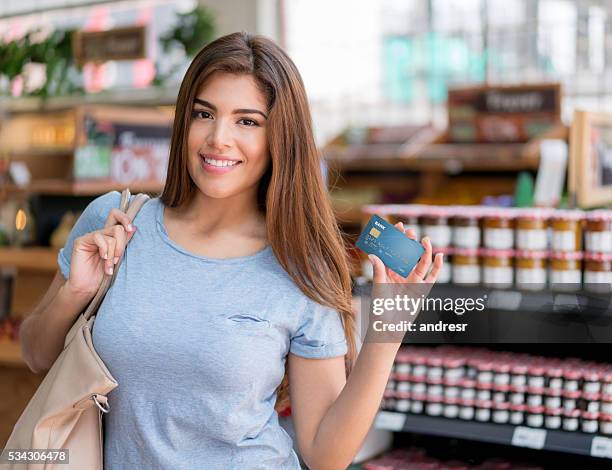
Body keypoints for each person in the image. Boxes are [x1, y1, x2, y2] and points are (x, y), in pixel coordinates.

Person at [19, 32, 443, 470]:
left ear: (280, 138)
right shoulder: (116, 223)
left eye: (247, 121)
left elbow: (325, 454)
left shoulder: (300, 267)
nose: (218, 138)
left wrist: (388, 329)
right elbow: (36, 354)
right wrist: (76, 291)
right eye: (205, 114)